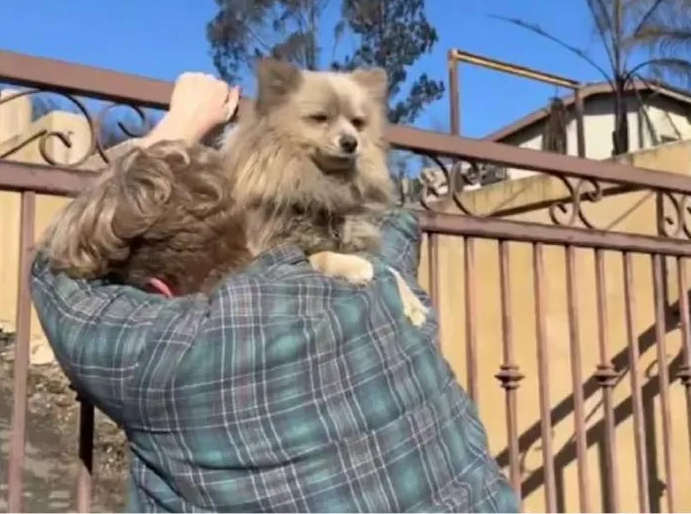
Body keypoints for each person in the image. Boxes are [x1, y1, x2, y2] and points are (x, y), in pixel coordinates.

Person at [30, 72, 521, 513]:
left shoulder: (164, 358)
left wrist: (177, 126)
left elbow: (54, 271)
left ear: (158, 290)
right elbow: (392, 220)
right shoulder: (380, 285)